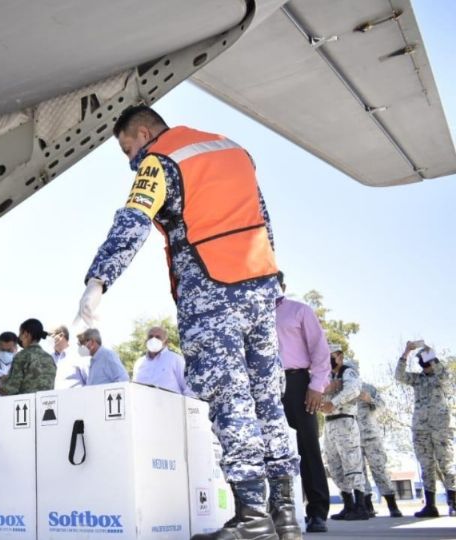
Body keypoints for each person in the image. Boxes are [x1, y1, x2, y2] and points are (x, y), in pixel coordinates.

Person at [73, 105, 299, 540]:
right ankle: (285, 517)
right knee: (268, 400)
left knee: (230, 399)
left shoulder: (161, 160)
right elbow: (262, 219)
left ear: (143, 132)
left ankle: (253, 519)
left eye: (127, 149)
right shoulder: (234, 150)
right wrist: (274, 279)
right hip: (261, 285)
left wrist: (99, 279)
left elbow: (134, 219)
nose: (130, 160)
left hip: (212, 290)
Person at [273, 271, 331, 532]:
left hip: (298, 384)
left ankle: (317, 511)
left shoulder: (299, 311)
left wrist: (316, 386)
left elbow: (320, 348)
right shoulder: (252, 315)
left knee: (308, 447)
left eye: (272, 282)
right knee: (270, 450)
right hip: (266, 388)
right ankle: (276, 513)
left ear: (282, 286)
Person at [396, 341, 456, 517]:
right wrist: (406, 352)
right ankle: (430, 505)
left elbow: (442, 373)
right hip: (421, 428)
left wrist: (429, 353)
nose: (424, 363)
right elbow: (399, 375)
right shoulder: (417, 379)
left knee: (446, 462)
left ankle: (454, 499)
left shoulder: (441, 376)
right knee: (426, 465)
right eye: (422, 360)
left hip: (440, 426)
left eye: (427, 360)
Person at [321, 344, 368, 521]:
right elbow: (318, 395)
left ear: (340, 356)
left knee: (352, 463)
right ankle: (348, 505)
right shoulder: (327, 376)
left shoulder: (348, 372)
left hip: (345, 420)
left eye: (331, 356)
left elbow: (353, 389)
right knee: (334, 465)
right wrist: (328, 389)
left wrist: (334, 402)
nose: (329, 360)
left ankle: (361, 506)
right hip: (329, 424)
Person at [356, 380, 402, 517]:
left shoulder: (368, 387)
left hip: (371, 436)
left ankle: (392, 506)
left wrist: (369, 399)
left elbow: (382, 406)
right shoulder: (341, 388)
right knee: (359, 473)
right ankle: (367, 507)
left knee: (380, 469)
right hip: (352, 438)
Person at [0, 319, 56, 396]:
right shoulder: (50, 359)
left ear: (26, 334)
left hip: (25, 405)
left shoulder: (22, 356)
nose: (19, 338)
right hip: (45, 405)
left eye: (20, 334)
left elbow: (11, 389)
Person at [131, 325, 189, 394]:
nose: (153, 339)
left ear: (166, 342)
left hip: (171, 403)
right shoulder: (139, 363)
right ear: (146, 340)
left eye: (158, 337)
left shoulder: (175, 359)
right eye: (150, 337)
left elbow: (188, 388)